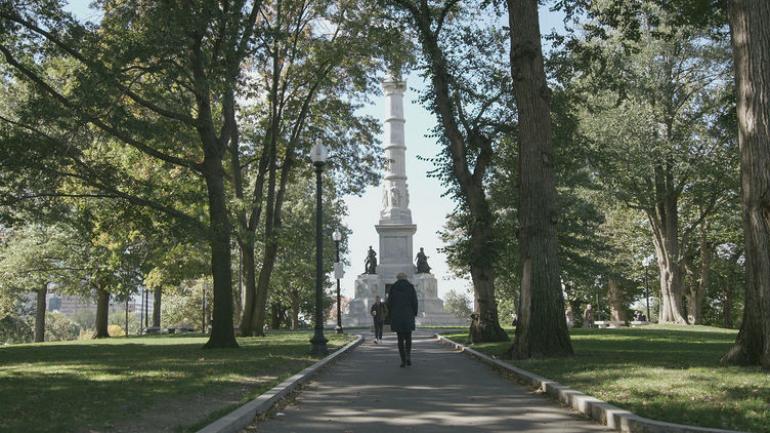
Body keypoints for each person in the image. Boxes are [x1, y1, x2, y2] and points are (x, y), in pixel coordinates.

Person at [386, 272, 418, 368]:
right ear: (406, 278)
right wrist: (414, 313)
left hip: (397, 316)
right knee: (408, 337)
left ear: (397, 278)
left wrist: (391, 315)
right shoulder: (410, 287)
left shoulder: (393, 287)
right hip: (408, 315)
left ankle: (403, 360)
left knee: (400, 339)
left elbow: (389, 303)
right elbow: (414, 301)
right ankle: (408, 355)